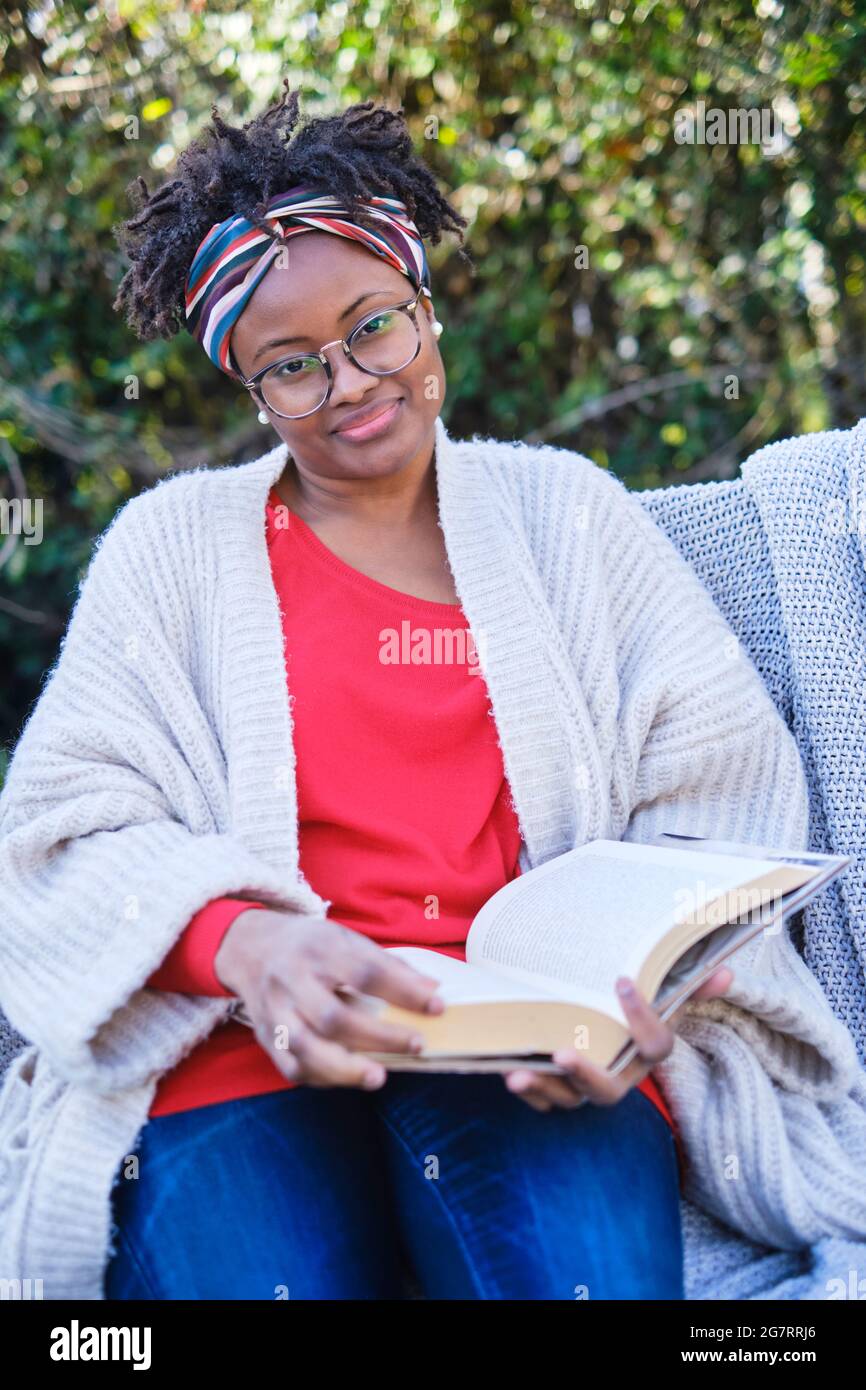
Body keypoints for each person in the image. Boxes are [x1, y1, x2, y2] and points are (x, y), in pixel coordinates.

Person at [0, 83, 821, 1302]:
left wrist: (632, 1002)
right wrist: (246, 943)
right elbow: (57, 834)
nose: (346, 381)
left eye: (372, 326)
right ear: (246, 386)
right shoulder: (168, 552)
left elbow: (716, 797)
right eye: (290, 365)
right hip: (243, 1052)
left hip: (526, 1055)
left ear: (422, 309)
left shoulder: (572, 522)